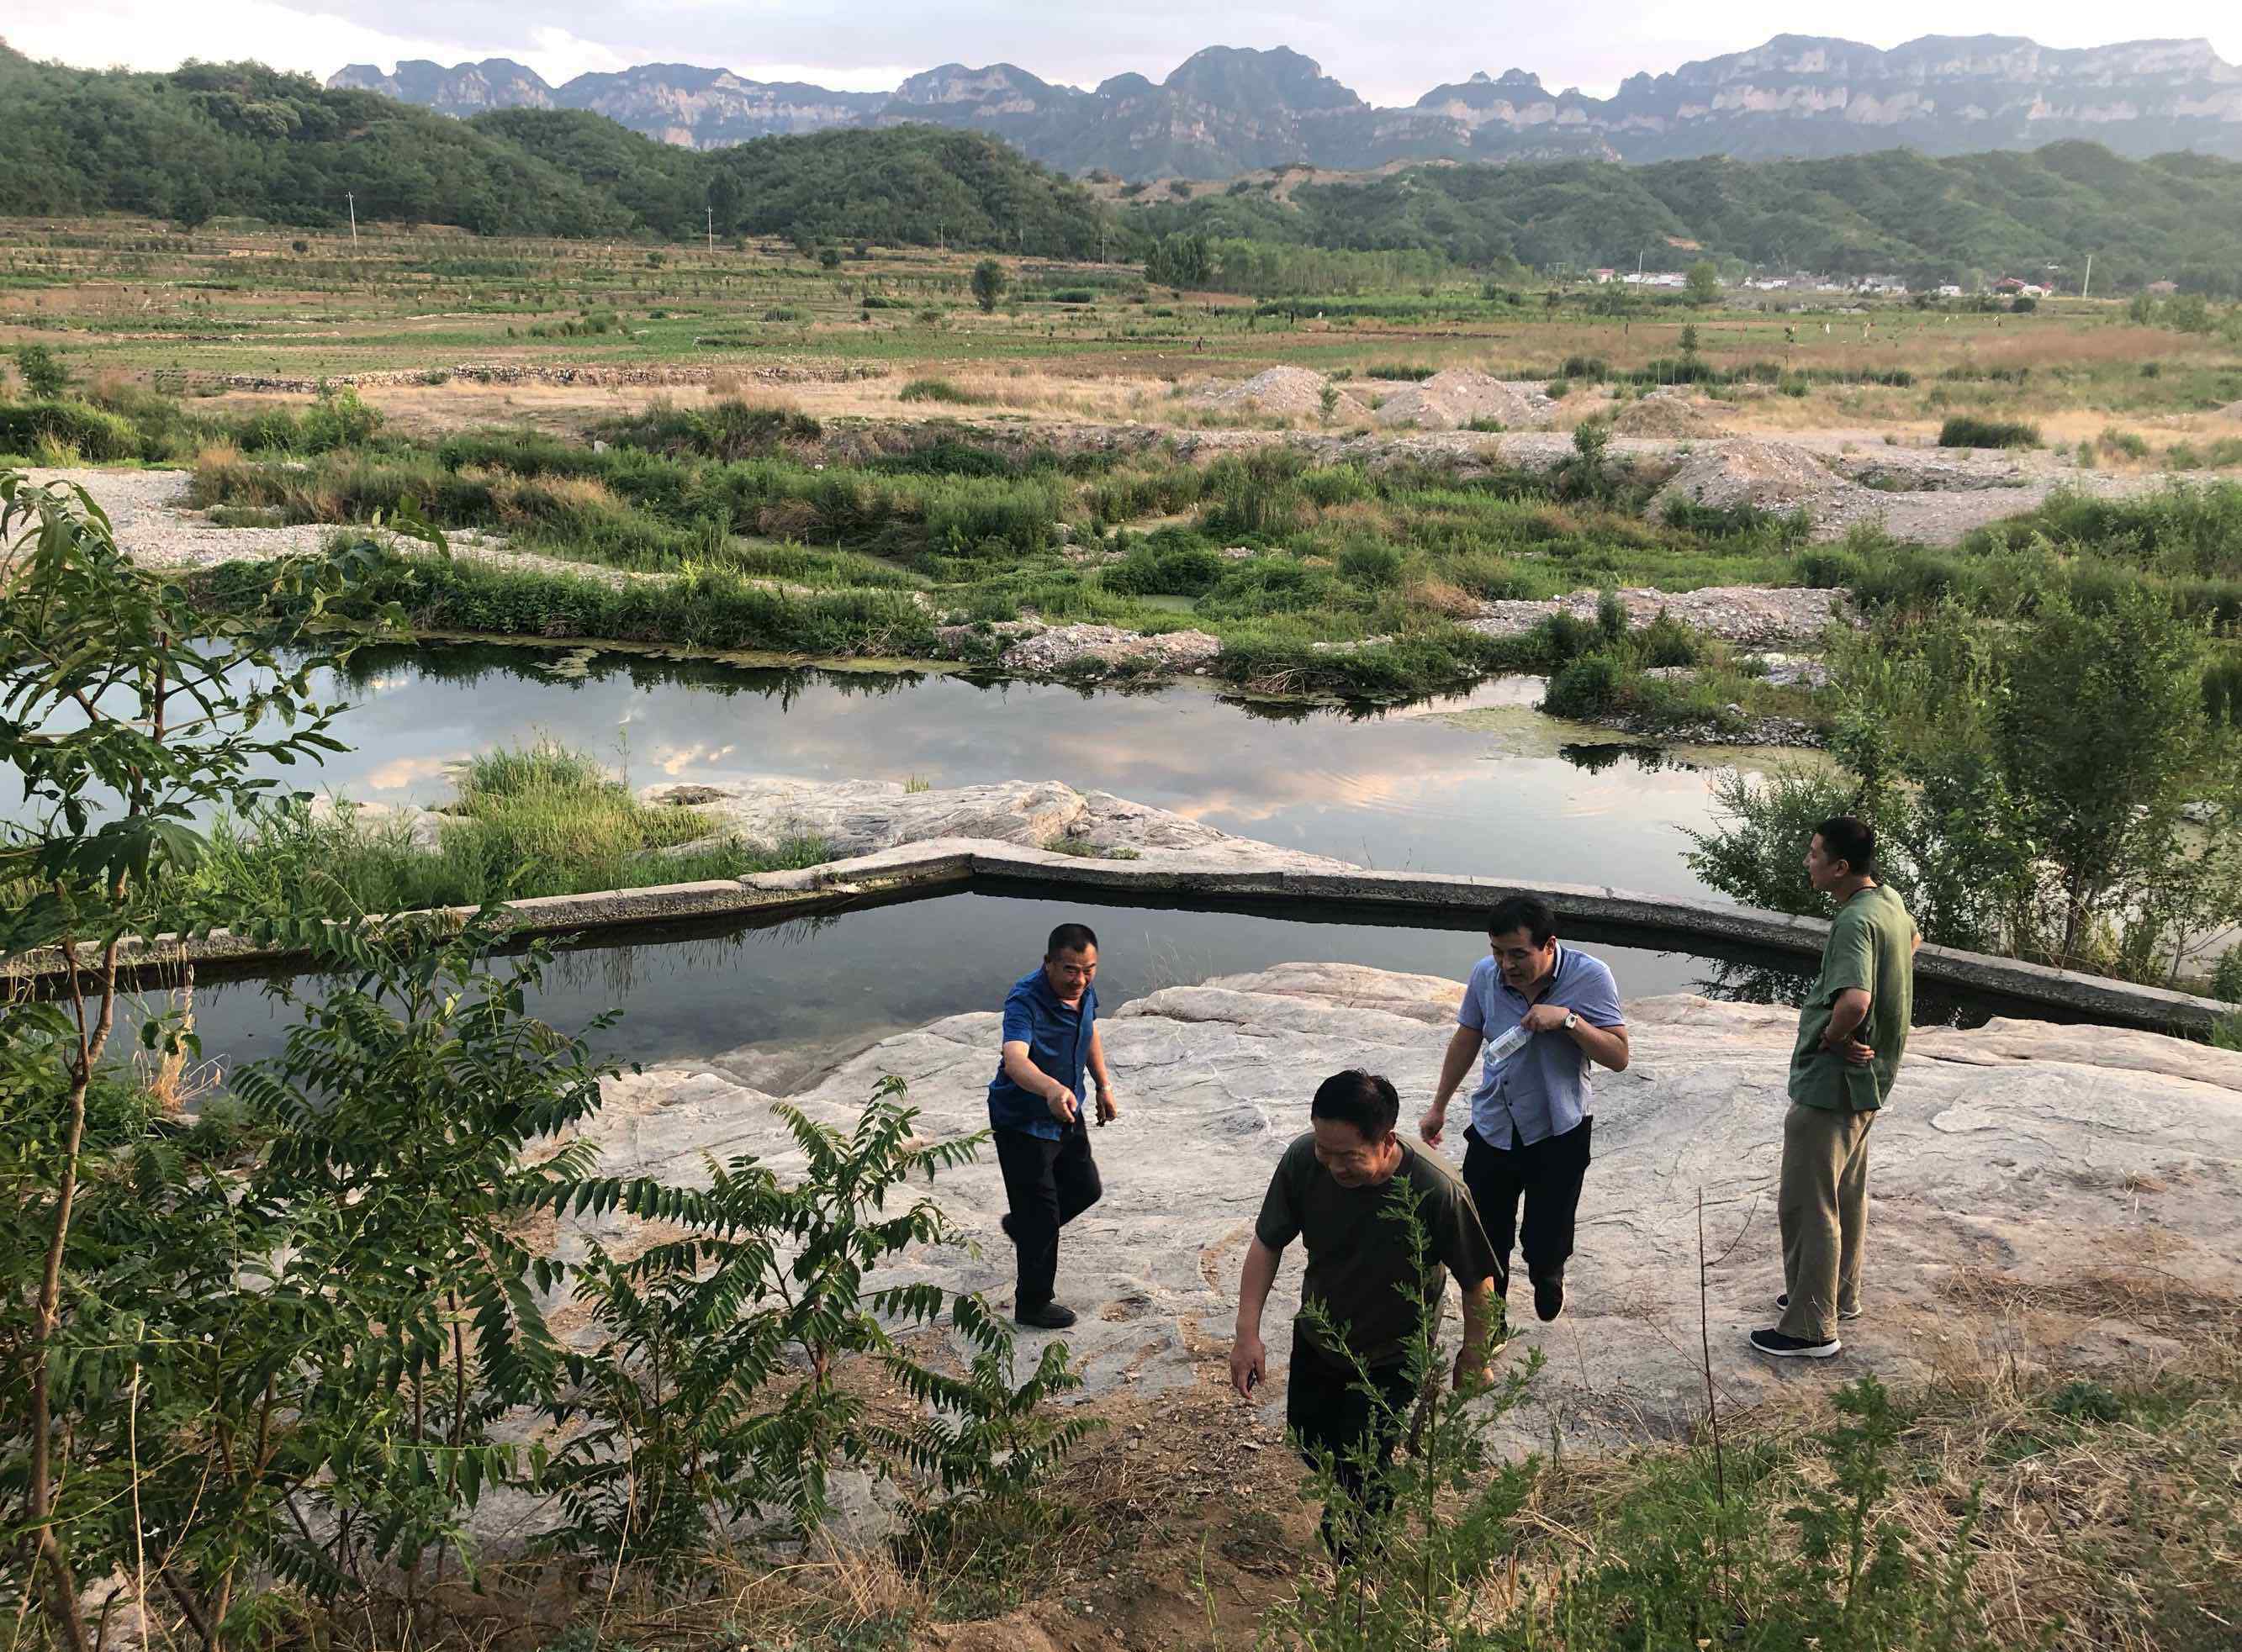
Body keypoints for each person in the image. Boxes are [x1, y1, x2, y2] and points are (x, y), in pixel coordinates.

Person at [1229, 1070, 1501, 1560]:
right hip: (1320, 1334)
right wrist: (1246, 1334)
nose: (1333, 1166)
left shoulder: (1437, 1190)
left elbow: (1478, 1280)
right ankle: (1352, 1510)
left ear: (1387, 1140)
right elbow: (1268, 1243)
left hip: (1391, 1354)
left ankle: (1356, 1572)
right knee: (1311, 1441)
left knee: (1364, 1474)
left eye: (1349, 1156)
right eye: (1323, 1150)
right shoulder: (1301, 1160)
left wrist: (1475, 1356)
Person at [1750, 815, 1919, 1360]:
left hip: (1831, 1085)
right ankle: (1837, 1294)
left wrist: (1834, 1035)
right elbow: (1912, 939)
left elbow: (1854, 1001)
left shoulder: (1852, 922)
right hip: (1869, 1081)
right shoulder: (1886, 901)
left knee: (1808, 1201)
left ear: (1841, 868)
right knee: (1846, 1191)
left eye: (1815, 852)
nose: (1808, 860)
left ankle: (1809, 1327)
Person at [1420, 896, 1628, 1329]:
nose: (1506, 965)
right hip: (1495, 1123)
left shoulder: (1591, 977)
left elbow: (1619, 1056)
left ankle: (1547, 1271)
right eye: (1498, 952)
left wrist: (1569, 1020)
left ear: (1549, 944)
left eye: (1518, 954)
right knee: (1484, 1234)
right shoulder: (1485, 975)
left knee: (1546, 1233)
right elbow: (1467, 1037)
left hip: (1560, 1128)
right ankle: (1491, 1320)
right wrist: (1438, 1105)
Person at [989, 922, 1118, 1331]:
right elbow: (1015, 1060)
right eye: (1070, 970)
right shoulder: (1025, 1000)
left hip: (1065, 1108)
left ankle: (1024, 1227)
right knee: (1042, 1214)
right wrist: (1049, 1090)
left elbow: (1089, 1030)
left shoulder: (1083, 991)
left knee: (1086, 1188)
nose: (1080, 979)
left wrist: (1102, 1084)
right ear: (1048, 964)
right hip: (1022, 1119)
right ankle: (1032, 1303)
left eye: (1089, 970)